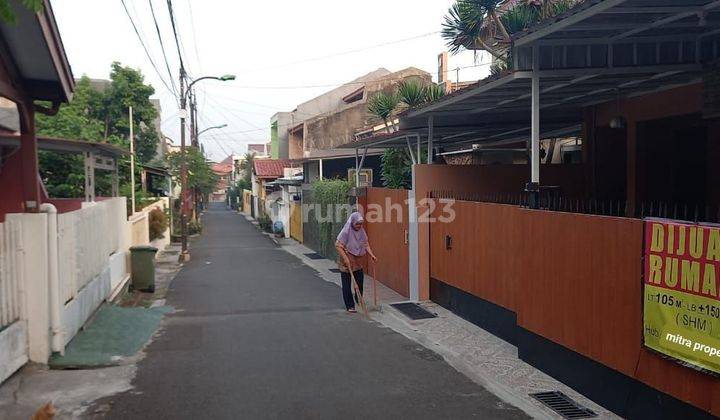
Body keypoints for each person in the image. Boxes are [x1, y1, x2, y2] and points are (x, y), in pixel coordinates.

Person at [335, 212, 377, 313]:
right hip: (346, 260)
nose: (359, 226)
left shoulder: (362, 231)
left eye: (360, 224)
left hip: (357, 260)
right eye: (357, 224)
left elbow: (365, 243)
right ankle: (350, 305)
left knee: (359, 282)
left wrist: (372, 255)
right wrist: (346, 259)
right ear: (352, 223)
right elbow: (338, 245)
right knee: (347, 284)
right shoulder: (346, 232)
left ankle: (359, 299)